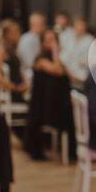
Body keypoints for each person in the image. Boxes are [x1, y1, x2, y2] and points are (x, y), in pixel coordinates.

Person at [24, 29, 73, 161]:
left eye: (54, 40)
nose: (51, 44)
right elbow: (56, 70)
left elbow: (68, 75)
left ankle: (71, 151)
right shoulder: (40, 60)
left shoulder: (57, 59)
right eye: (48, 40)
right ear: (43, 43)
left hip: (53, 103)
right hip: (42, 107)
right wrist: (56, 51)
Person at [0, 19, 28, 108]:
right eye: (15, 32)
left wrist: (25, 84)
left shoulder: (15, 51)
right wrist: (14, 88)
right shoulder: (2, 51)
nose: (19, 35)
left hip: (20, 91)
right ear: (8, 34)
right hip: (11, 93)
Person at [60, 15, 93, 87]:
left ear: (86, 27)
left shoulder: (90, 41)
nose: (80, 28)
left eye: (82, 25)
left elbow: (87, 63)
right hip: (64, 73)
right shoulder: (68, 36)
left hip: (79, 78)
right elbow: (62, 54)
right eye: (77, 24)